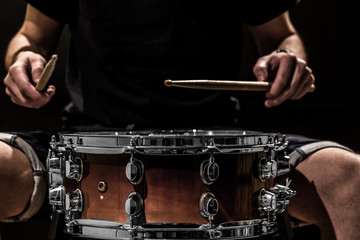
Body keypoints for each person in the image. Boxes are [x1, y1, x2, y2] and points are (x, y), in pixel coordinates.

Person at [1, 1, 360, 239]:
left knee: (349, 177)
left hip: (220, 142)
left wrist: (286, 56)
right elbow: (31, 35)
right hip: (91, 140)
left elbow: (282, 35)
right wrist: (23, 58)